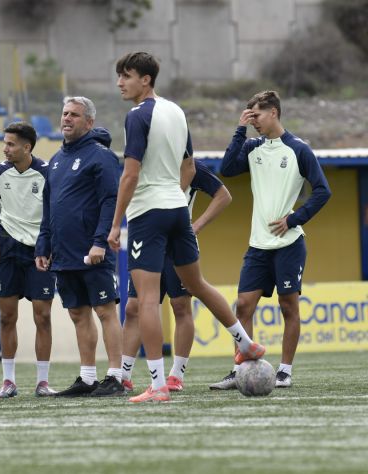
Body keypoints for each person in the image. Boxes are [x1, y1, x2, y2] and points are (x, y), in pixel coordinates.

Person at [107, 51, 265, 403]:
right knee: (197, 284)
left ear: (145, 80)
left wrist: (116, 224)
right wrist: (171, 196)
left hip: (149, 211)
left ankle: (158, 385)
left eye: (126, 76)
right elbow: (189, 166)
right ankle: (246, 342)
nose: (120, 82)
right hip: (178, 209)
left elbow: (130, 174)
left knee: (147, 300)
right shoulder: (176, 111)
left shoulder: (136, 116)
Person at [211, 90, 331, 390]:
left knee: (288, 307)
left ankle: (285, 371)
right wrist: (239, 130)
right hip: (257, 245)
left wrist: (293, 219)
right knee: (243, 307)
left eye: (257, 116)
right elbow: (226, 169)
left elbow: (322, 190)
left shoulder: (299, 150)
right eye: (249, 117)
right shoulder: (252, 146)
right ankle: (239, 370)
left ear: (274, 112)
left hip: (289, 244)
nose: (253, 122)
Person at [34, 97, 125, 398]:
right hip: (63, 253)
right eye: (64, 114)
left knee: (105, 310)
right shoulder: (56, 160)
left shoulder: (102, 157)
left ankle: (115, 376)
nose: (67, 119)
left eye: (74, 115)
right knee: (77, 313)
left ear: (89, 122)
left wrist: (100, 241)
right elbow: (49, 209)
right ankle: (87, 378)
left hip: (92, 251)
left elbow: (110, 201)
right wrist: (43, 245)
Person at [121, 159, 232, 393]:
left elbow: (224, 195)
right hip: (147, 243)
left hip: (177, 246)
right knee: (133, 307)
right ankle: (123, 376)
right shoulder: (142, 164)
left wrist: (197, 225)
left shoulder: (190, 165)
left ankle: (176, 374)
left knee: (180, 305)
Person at [0, 122, 57, 398]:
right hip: (7, 249)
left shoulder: (47, 172)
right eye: (5, 143)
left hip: (39, 251)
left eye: (11, 144)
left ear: (27, 147)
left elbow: (53, 213)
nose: (5, 149)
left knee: (43, 316)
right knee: (7, 317)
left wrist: (47, 245)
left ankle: (42, 381)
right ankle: (8, 381)